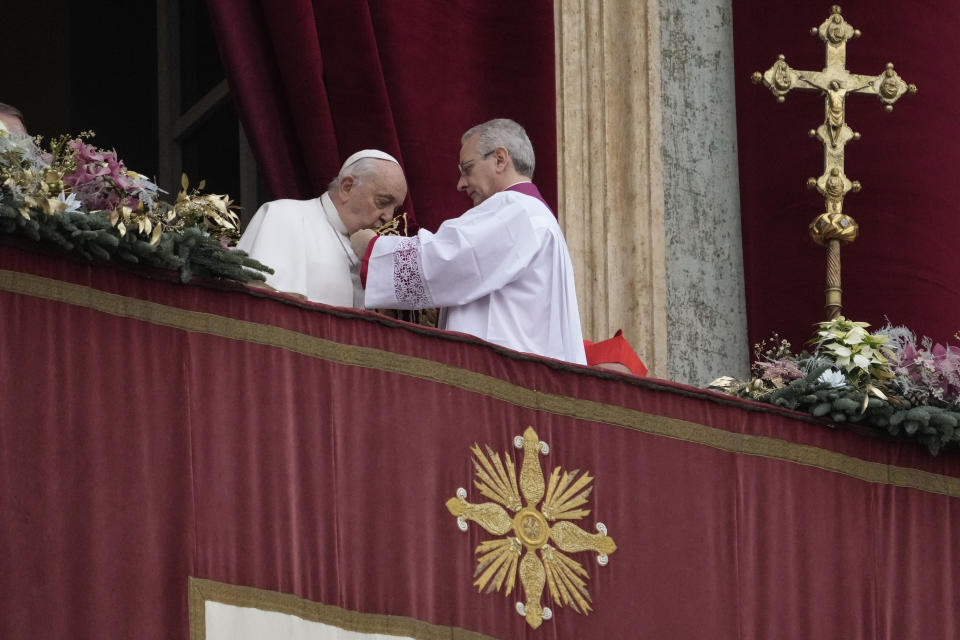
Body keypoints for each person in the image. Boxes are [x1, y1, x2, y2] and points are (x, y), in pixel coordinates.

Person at [350, 119, 586, 364]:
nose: (461, 183)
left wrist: (373, 249)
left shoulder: (516, 210)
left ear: (500, 159)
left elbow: (449, 259)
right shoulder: (537, 217)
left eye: (468, 168)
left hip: (501, 378)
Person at [236, 150, 407, 307]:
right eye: (382, 202)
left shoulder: (370, 248)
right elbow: (264, 310)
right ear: (347, 187)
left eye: (395, 208)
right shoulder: (285, 216)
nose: (389, 217)